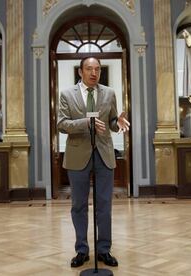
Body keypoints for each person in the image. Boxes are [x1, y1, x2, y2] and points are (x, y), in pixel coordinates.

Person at [57, 57, 130, 268]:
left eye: (97, 69)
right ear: (81, 72)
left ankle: (104, 250)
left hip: (104, 153)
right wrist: (86, 123)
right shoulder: (66, 95)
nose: (93, 72)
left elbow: (112, 122)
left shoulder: (109, 93)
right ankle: (81, 250)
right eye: (89, 68)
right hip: (77, 154)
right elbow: (62, 124)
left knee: (104, 205)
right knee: (78, 205)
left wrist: (119, 123)